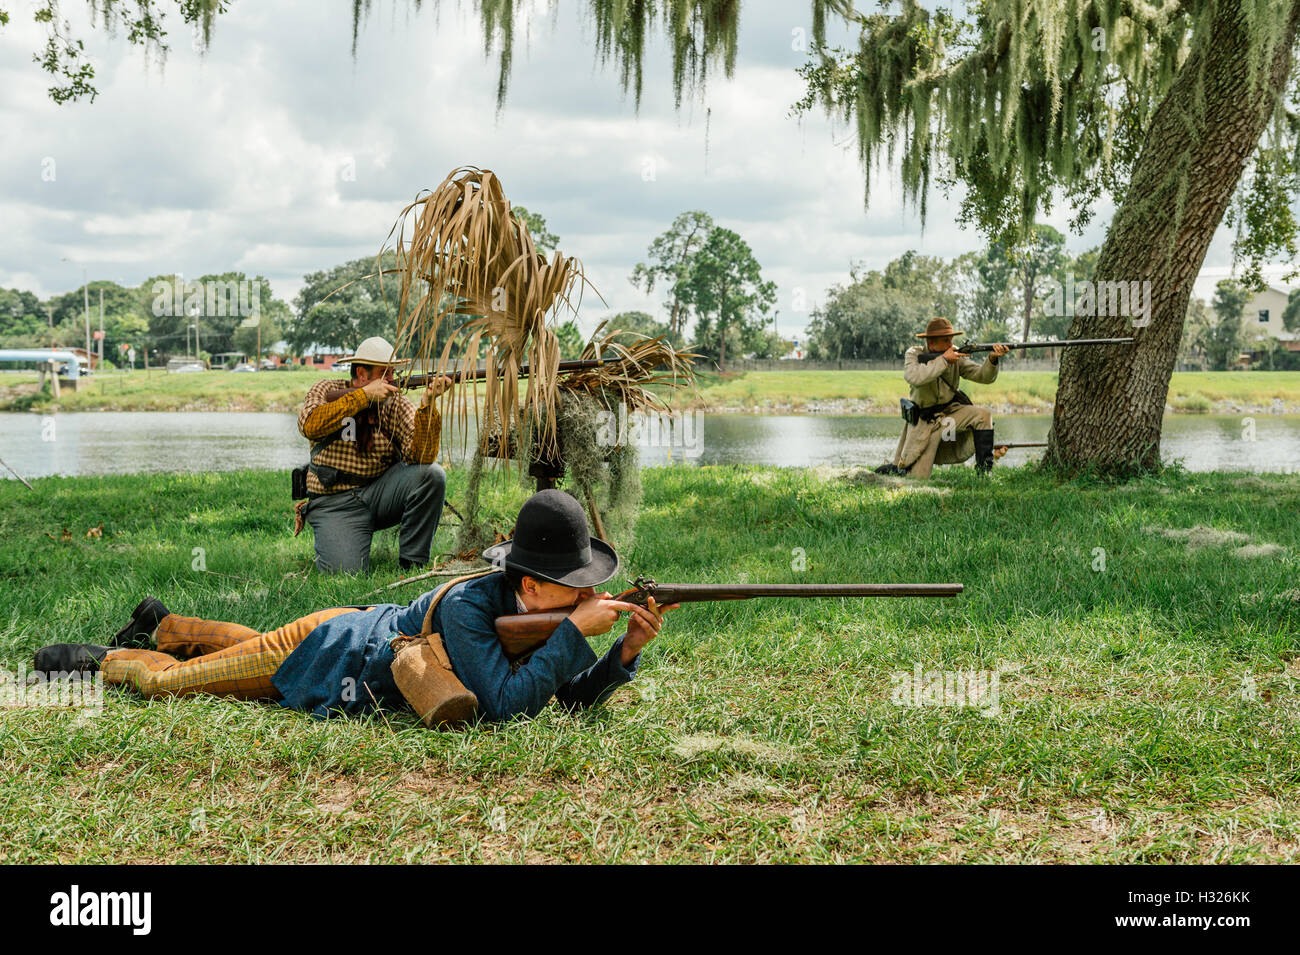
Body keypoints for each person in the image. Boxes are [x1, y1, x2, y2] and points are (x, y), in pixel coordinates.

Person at [32, 490, 672, 725]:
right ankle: (109, 659)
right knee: (176, 684)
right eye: (576, 583)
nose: (591, 595)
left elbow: (563, 696)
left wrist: (624, 652)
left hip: (341, 630)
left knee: (251, 645)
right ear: (529, 585)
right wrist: (578, 633)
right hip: (325, 651)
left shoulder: (548, 617)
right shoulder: (475, 606)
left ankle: (168, 625)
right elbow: (503, 706)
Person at [296, 336, 453, 573]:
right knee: (345, 573)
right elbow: (309, 425)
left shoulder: (396, 404)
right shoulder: (326, 389)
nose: (392, 379)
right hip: (333, 502)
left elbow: (422, 457)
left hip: (380, 495)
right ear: (361, 374)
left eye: (393, 372)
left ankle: (412, 563)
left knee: (432, 475)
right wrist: (364, 397)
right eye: (385, 373)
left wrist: (428, 405)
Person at [887, 317, 1011, 478]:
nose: (950, 344)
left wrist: (993, 358)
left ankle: (984, 474)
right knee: (916, 479)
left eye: (951, 339)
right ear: (931, 343)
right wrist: (944, 360)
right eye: (946, 340)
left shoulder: (955, 353)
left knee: (984, 416)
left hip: (950, 413)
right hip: (925, 422)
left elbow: (983, 376)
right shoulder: (914, 354)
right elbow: (914, 377)